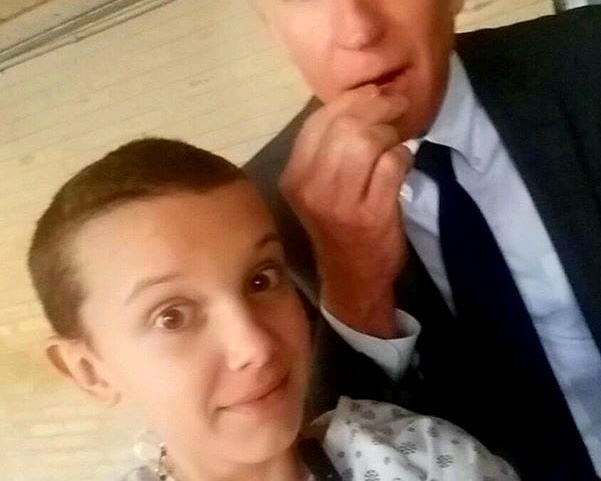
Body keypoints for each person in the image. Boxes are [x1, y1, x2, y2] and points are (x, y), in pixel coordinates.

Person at [217, 0, 601, 479]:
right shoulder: (256, 216)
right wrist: (355, 291)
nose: (357, 29)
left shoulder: (593, 61)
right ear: (272, 24)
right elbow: (319, 456)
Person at [28, 138, 519, 481]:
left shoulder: (420, 460)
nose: (255, 346)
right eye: (172, 316)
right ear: (90, 371)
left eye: (261, 280)